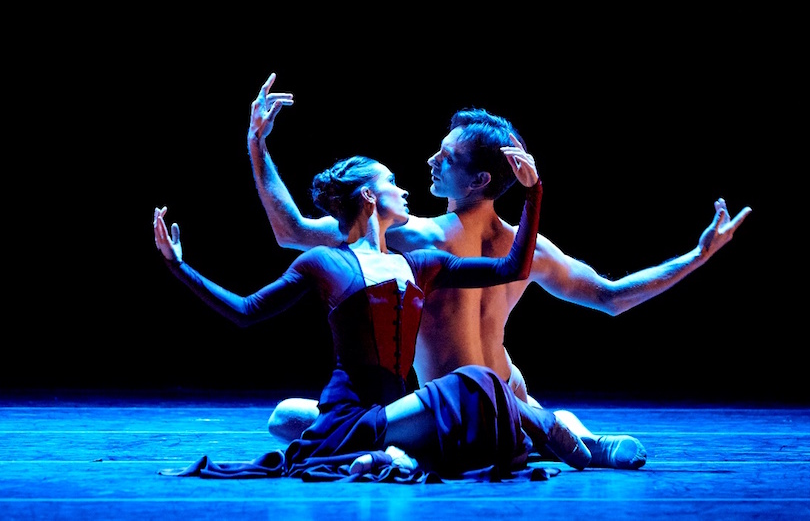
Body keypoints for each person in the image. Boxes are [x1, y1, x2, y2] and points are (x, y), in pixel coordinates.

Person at [247, 74, 753, 471]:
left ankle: (430, 449)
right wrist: (697, 256)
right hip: (511, 391)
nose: (431, 160)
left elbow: (292, 231)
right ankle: (558, 430)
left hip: (453, 413)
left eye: (446, 157)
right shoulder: (530, 247)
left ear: (479, 180)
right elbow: (612, 296)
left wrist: (258, 146)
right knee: (510, 402)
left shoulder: (415, 238)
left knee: (292, 419)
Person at [153, 79, 591, 482]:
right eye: (392, 182)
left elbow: (512, 268)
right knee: (473, 380)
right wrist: (179, 266)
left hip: (393, 411)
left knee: (477, 390)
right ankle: (543, 427)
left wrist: (533, 192)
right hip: (351, 414)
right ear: (368, 196)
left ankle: (393, 455)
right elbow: (247, 309)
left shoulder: (420, 264)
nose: (405, 189)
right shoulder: (327, 262)